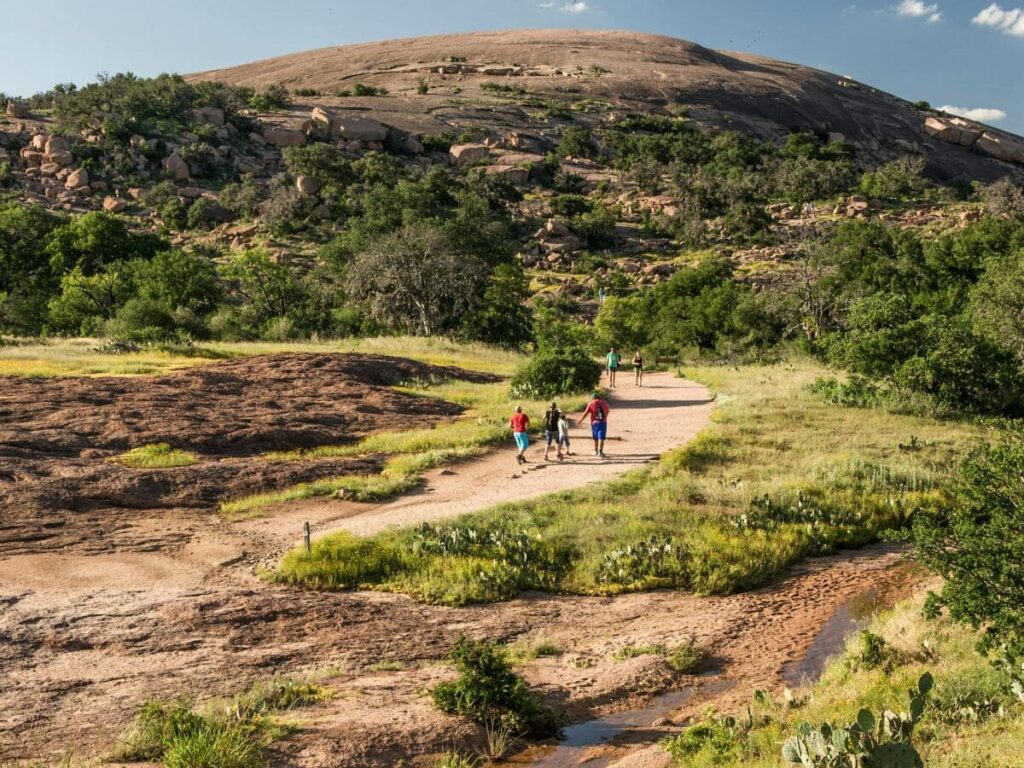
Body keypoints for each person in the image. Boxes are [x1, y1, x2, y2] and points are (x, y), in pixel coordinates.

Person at [582, 391, 610, 458]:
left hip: (594, 423)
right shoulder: (604, 402)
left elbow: (586, 412)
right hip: (603, 422)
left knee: (595, 437)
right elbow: (607, 410)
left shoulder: (591, 403)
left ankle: (595, 450)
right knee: (601, 437)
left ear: (593, 398)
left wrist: (580, 420)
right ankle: (600, 452)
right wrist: (605, 417)